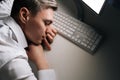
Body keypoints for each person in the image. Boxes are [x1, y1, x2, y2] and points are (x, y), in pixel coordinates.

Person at [0, 0, 58, 80]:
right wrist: (41, 61)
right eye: (46, 23)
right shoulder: (13, 60)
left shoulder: (5, 10)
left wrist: (47, 25)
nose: (49, 30)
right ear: (24, 15)